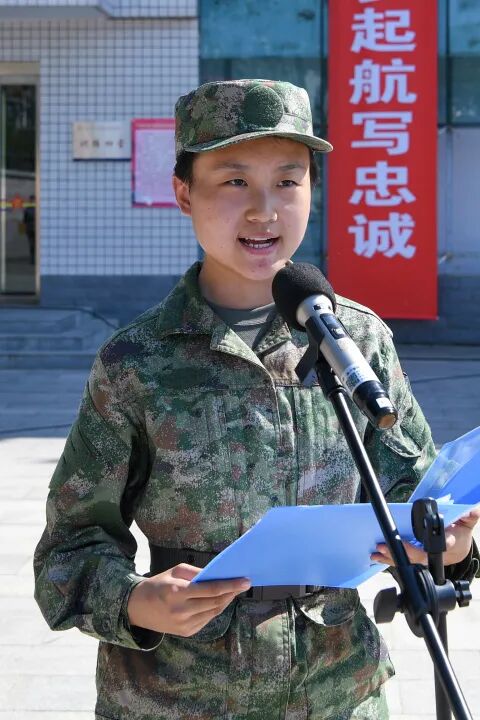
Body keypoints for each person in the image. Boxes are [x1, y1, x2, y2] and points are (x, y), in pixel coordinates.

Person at [34, 79, 480, 720]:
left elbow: (417, 497)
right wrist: (135, 600)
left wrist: (448, 546)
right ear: (184, 193)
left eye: (288, 181)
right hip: (175, 698)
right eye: (235, 181)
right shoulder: (136, 362)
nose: (263, 210)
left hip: (339, 693)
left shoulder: (355, 341)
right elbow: (69, 549)